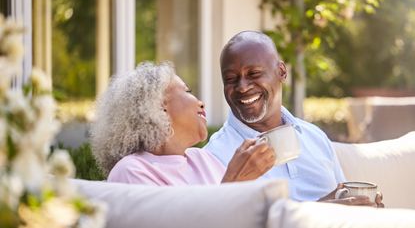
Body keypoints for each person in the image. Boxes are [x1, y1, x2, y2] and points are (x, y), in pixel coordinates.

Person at [203, 30, 384, 207]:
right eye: (231, 78)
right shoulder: (215, 155)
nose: (242, 87)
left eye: (254, 74)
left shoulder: (314, 137)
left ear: (281, 72)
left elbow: (343, 199)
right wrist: (320, 213)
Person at [90, 61, 276, 186]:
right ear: (158, 107)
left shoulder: (203, 159)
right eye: (188, 91)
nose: (201, 102)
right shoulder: (131, 171)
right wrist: (234, 183)